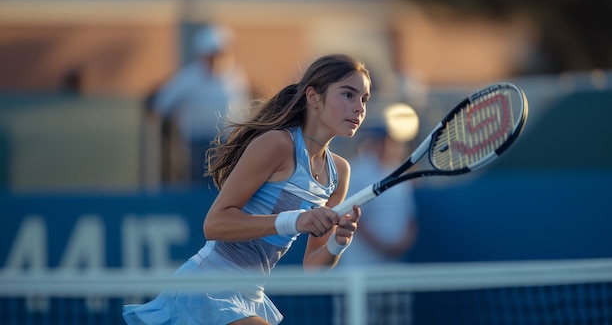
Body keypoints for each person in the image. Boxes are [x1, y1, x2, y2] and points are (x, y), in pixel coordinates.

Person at [123, 53, 372, 324]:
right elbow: (215, 224)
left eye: (364, 99)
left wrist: (338, 243)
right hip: (207, 286)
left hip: (251, 296)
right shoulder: (276, 144)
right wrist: (295, 221)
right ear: (313, 97)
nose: (359, 107)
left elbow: (312, 267)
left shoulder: (339, 172)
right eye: (348, 95)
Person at [336, 103, 419, 325]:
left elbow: (410, 219)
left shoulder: (398, 175)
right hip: (359, 272)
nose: (389, 143)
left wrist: (400, 246)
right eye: (385, 138)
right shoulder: (357, 171)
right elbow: (351, 218)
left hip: (393, 273)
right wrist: (383, 246)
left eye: (392, 138)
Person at [152, 24, 250, 186]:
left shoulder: (237, 76)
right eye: (212, 55)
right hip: (197, 144)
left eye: (221, 54)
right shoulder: (188, 77)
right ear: (202, 55)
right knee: (200, 184)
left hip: (229, 143)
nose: (217, 59)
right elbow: (161, 106)